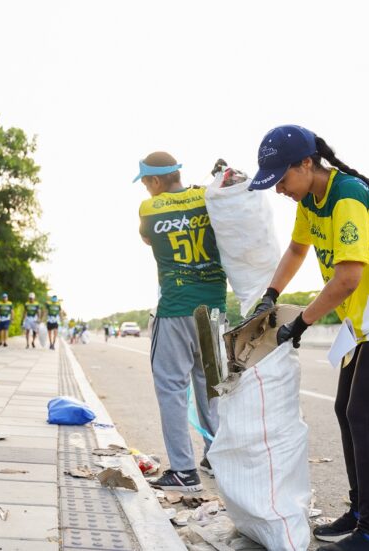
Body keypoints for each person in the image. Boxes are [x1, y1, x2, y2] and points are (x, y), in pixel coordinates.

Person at [248, 125, 369, 551]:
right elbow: (298, 250)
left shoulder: (347, 197)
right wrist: (271, 295)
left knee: (365, 417)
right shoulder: (311, 199)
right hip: (368, 321)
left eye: (282, 178)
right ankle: (359, 512)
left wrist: (300, 324)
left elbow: (348, 277)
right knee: (345, 409)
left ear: (305, 164)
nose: (279, 189)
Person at [135, 151, 226, 492]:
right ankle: (219, 457)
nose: (146, 190)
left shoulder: (149, 209)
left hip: (175, 309)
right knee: (212, 386)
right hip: (214, 311)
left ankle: (184, 472)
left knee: (172, 387)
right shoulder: (207, 196)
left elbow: (147, 239)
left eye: (146, 183)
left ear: (156, 181)